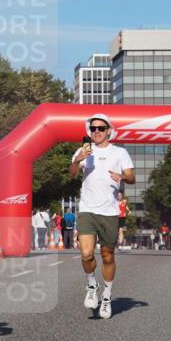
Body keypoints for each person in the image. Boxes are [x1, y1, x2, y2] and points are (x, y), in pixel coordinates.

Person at [69, 113, 134, 320]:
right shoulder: (83, 151)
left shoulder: (120, 152)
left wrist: (122, 176)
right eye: (93, 128)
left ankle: (106, 296)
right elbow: (71, 174)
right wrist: (78, 160)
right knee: (86, 253)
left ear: (108, 131)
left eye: (100, 128)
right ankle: (91, 284)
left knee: (108, 256)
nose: (96, 131)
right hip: (88, 209)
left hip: (110, 211)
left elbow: (131, 177)